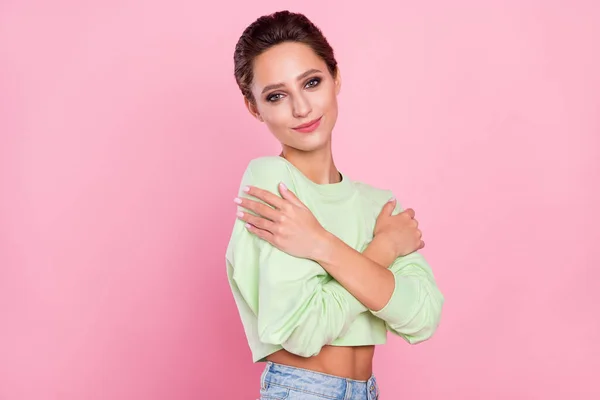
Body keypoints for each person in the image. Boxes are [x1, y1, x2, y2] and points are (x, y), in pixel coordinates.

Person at [225, 10, 444, 400]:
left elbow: (422, 318)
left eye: (311, 82)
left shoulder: (378, 205)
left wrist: (321, 244)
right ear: (254, 108)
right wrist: (383, 250)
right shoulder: (271, 184)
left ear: (335, 78)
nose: (302, 108)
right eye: (276, 96)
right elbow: (304, 332)